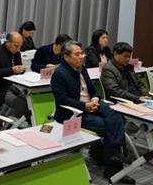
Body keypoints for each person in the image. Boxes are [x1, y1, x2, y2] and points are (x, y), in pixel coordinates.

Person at [51, 40, 134, 183]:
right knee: (109, 126)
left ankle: (115, 153)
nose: (81, 57)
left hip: (92, 105)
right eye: (77, 54)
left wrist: (95, 98)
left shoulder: (82, 68)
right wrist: (85, 106)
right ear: (66, 57)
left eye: (81, 54)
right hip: (74, 113)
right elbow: (62, 100)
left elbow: (93, 88)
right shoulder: (59, 74)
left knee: (116, 112)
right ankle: (114, 170)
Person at [0, 32, 29, 120]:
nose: (18, 49)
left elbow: (18, 68)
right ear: (7, 42)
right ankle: (9, 123)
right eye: (16, 46)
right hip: (0, 88)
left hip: (15, 86)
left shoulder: (17, 53)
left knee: (29, 102)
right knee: (21, 105)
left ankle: (22, 121)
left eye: (20, 46)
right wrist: (12, 70)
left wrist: (21, 70)